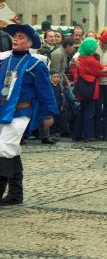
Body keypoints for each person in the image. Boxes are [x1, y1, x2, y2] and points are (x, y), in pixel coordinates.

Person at [0, 24, 57, 206]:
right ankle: (16, 195)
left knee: (4, 149)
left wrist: (48, 113)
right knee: (12, 151)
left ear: (30, 43)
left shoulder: (35, 64)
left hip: (21, 113)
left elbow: (45, 90)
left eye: (21, 37)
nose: (16, 39)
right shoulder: (4, 60)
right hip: (3, 111)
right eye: (15, 36)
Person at [71, 38, 107, 142]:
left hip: (82, 88)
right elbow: (101, 71)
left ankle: (77, 134)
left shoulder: (80, 57)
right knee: (89, 113)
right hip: (90, 89)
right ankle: (88, 135)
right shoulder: (90, 60)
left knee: (81, 112)